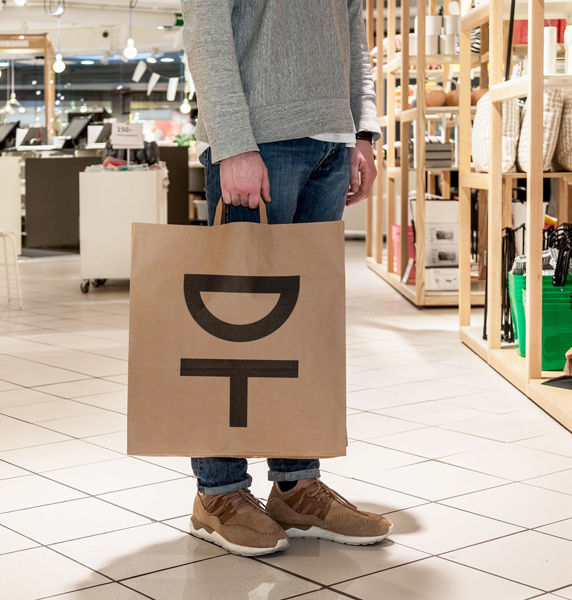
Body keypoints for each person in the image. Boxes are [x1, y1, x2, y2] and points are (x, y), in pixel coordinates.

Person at [181, 0, 392, 557]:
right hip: (259, 140)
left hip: (332, 145)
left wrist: (362, 132)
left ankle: (297, 485)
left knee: (305, 331)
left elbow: (351, 29)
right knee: (233, 328)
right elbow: (205, 27)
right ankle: (219, 490)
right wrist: (232, 142)